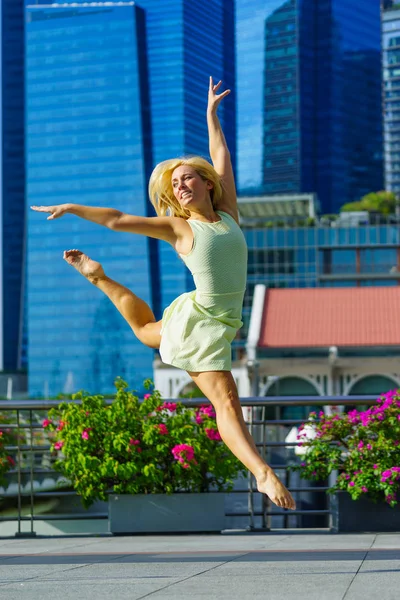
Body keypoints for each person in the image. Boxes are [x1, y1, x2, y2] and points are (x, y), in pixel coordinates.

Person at [31, 77, 296, 510]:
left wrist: (210, 115)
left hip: (210, 319)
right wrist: (73, 208)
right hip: (201, 324)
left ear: (207, 184)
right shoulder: (179, 227)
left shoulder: (228, 212)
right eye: (175, 185)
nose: (181, 187)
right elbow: (118, 220)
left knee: (143, 329)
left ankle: (98, 276)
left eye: (189, 179)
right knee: (226, 401)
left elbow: (221, 155)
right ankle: (262, 473)